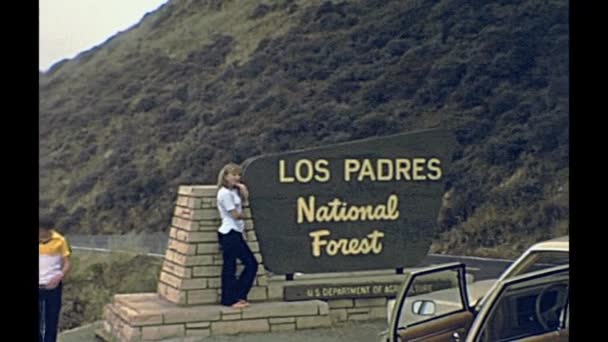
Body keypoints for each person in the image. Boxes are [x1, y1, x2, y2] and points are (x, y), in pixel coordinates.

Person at [216, 163, 258, 309]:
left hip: (236, 232)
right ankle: (232, 298)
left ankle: (235, 297)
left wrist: (244, 191)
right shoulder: (224, 193)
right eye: (233, 175)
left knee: (234, 265)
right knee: (248, 264)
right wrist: (244, 216)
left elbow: (243, 203)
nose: (236, 177)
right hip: (229, 232)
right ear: (225, 176)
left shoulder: (234, 191)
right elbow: (235, 214)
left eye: (238, 175)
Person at [39, 214, 71, 342]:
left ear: (47, 230)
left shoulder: (60, 241)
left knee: (51, 319)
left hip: (53, 286)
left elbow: (67, 262)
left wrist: (60, 275)